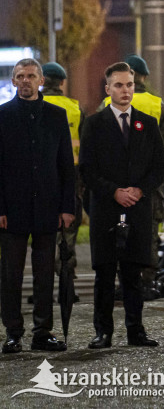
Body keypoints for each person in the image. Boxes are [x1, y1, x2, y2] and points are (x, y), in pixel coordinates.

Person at [79, 62, 164, 348]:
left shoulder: (147, 122)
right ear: (108, 90)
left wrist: (139, 190)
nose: (125, 90)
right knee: (105, 273)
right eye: (118, 85)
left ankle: (136, 331)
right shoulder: (94, 124)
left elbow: (161, 167)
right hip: (106, 207)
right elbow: (87, 170)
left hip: (137, 207)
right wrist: (115, 192)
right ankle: (102, 332)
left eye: (129, 84)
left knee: (133, 273)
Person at [0, 58, 76, 354]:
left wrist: (67, 207)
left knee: (45, 273)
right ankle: (12, 333)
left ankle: (42, 331)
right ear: (13, 81)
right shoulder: (3, 116)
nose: (26, 80)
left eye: (31, 75)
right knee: (10, 274)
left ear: (41, 80)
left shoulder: (57, 116)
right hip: (13, 209)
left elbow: (66, 166)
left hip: (47, 207)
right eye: (20, 76)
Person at [103, 54, 164, 295]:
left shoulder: (106, 104)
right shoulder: (158, 105)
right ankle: (147, 282)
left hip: (117, 185)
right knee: (148, 233)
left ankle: (122, 283)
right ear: (144, 76)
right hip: (148, 185)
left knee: (118, 230)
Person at [40, 62, 86, 291]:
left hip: (42, 176)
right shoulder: (75, 108)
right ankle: (67, 284)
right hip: (72, 176)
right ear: (61, 82)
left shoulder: (35, 105)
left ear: (41, 80)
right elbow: (87, 147)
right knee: (68, 231)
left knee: (43, 232)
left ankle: (44, 285)